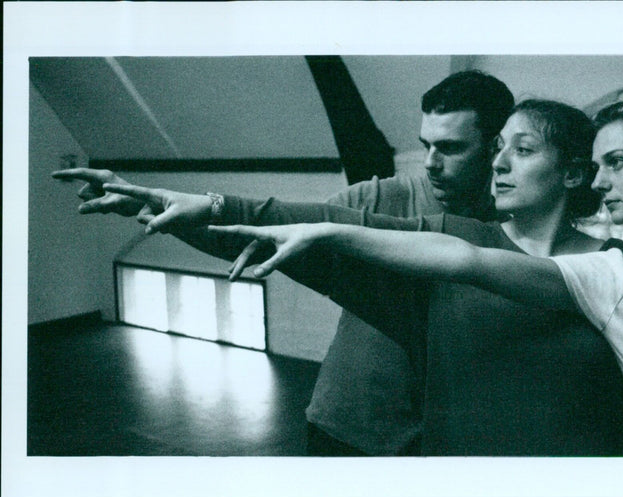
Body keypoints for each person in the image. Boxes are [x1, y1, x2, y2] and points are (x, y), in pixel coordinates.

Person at [204, 98, 623, 456]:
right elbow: (459, 257)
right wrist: (225, 209)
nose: (497, 165)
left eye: (615, 164)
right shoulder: (606, 272)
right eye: (498, 149)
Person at [91, 99, 623, 455]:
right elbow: (324, 228)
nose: (499, 165)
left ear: (573, 172)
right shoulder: (451, 239)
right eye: (498, 150)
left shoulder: (620, 269)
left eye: (522, 151)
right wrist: (204, 207)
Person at [53, 70, 513, 456]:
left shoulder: (518, 226)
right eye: (425, 145)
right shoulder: (377, 197)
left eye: (450, 148)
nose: (431, 162)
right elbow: (264, 234)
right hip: (348, 426)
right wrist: (159, 213)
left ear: (496, 148)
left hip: (449, 439)